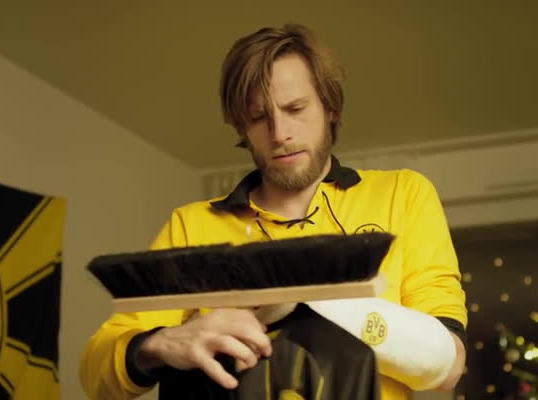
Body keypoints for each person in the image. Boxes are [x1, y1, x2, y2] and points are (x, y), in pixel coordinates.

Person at [79, 23, 467, 400]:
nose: (280, 134)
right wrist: (161, 344)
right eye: (259, 118)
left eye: (295, 108)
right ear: (242, 128)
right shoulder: (191, 225)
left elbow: (449, 365)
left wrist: (312, 301)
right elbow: (95, 376)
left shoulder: (402, 194)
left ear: (330, 107)